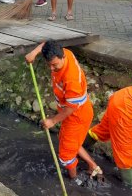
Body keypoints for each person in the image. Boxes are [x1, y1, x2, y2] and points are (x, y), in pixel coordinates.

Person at [25, 41, 101, 179]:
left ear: (63, 57)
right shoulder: (63, 51)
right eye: (49, 65)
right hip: (76, 110)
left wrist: (52, 121)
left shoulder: (71, 79)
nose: (52, 69)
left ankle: (74, 180)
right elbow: (46, 44)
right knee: (68, 142)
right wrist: (34, 53)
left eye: (54, 65)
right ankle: (93, 166)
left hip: (76, 115)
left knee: (66, 155)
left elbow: (71, 108)